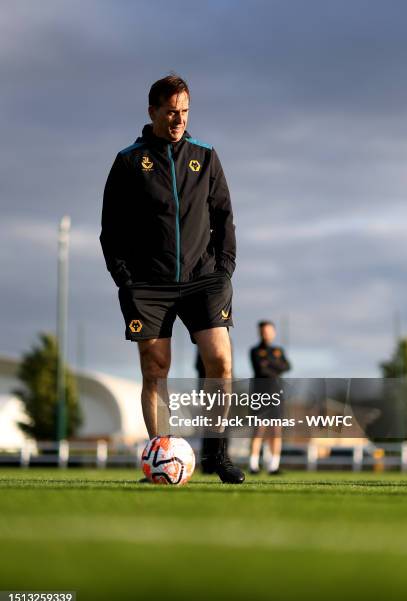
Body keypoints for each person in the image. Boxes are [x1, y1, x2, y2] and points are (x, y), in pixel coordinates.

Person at [100, 74, 244, 484]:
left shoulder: (205, 155)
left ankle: (217, 453)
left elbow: (224, 217)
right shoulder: (129, 161)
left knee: (220, 360)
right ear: (153, 112)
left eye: (184, 111)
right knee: (155, 368)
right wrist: (125, 279)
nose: (178, 119)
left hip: (204, 279)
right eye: (170, 112)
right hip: (148, 285)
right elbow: (112, 228)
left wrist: (224, 269)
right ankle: (162, 456)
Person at [248, 320, 291, 474]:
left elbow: (287, 366)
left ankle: (274, 465)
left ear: (274, 332)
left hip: (276, 394)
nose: (266, 334)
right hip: (259, 394)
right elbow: (261, 369)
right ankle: (253, 464)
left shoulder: (279, 350)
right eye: (263, 331)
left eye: (268, 331)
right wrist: (275, 365)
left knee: (276, 430)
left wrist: (270, 364)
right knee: (258, 430)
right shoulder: (255, 351)